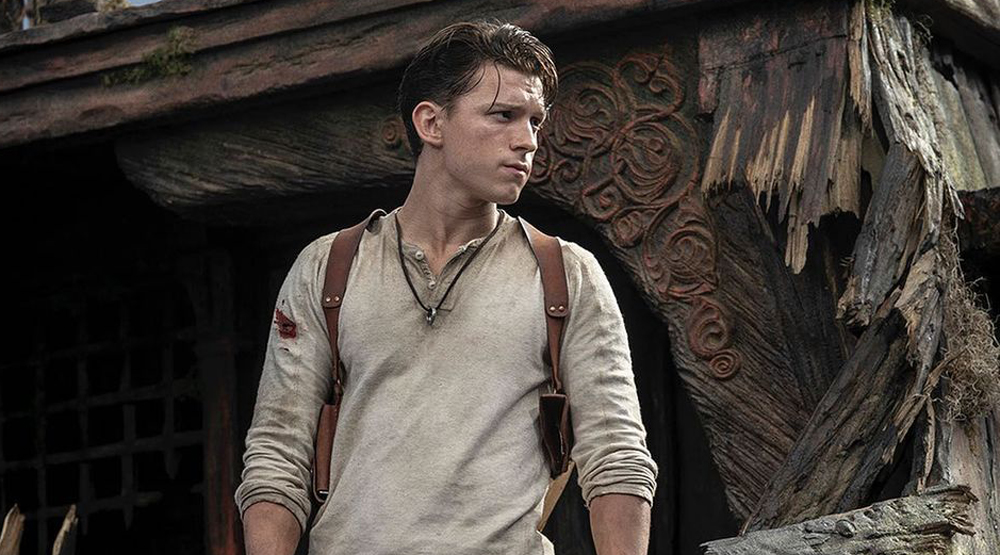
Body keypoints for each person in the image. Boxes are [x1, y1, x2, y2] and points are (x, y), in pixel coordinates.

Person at [235, 20, 657, 555]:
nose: (528, 140)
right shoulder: (329, 267)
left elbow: (616, 454)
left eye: (535, 121)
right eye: (503, 115)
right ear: (432, 123)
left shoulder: (566, 274)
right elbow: (277, 458)